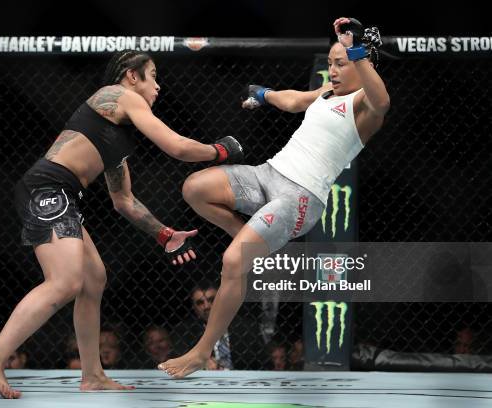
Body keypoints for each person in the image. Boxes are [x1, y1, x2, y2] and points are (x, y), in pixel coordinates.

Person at [0, 50, 244, 398]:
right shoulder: (117, 96)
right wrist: (219, 151)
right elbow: (175, 146)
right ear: (132, 76)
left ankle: (92, 374)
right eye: (153, 75)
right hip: (48, 188)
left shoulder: (115, 136)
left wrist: (163, 234)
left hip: (64, 195)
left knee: (94, 277)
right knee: (65, 281)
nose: (158, 86)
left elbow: (124, 201)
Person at [159, 17, 389, 378]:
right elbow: (296, 100)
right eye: (330, 63)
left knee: (233, 262)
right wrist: (264, 94)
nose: (333, 70)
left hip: (300, 197)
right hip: (267, 174)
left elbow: (382, 98)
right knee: (194, 188)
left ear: (362, 64)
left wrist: (357, 49)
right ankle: (250, 237)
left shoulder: (366, 106)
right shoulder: (327, 93)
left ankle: (202, 352)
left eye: (340, 63)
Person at [172, 281, 265, 370]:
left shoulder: (247, 328)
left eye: (211, 300)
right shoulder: (185, 332)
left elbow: (264, 364)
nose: (206, 306)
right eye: (200, 303)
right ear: (194, 308)